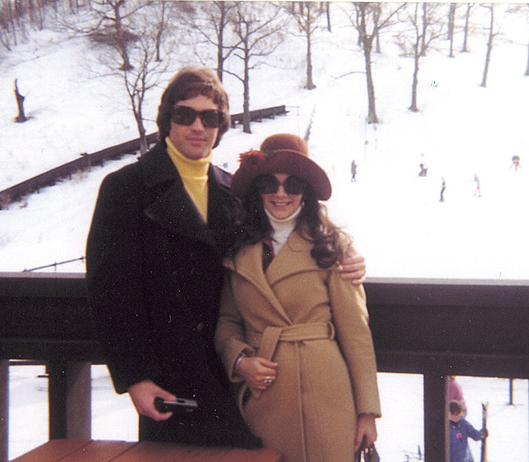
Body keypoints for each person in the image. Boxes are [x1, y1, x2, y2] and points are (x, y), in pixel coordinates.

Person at [85, 67, 366, 448]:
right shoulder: (126, 188)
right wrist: (135, 377)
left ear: (222, 124)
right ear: (167, 118)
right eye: (185, 114)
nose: (197, 126)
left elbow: (283, 239)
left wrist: (348, 258)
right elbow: (111, 293)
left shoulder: (233, 193)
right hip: (169, 382)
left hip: (232, 381)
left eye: (210, 117)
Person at [215, 134, 381, 462]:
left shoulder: (332, 246)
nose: (281, 194)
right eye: (268, 184)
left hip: (328, 396)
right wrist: (240, 361)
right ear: (256, 190)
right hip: (266, 397)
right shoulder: (238, 251)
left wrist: (367, 412)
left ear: (305, 191)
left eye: (292, 185)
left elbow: (356, 334)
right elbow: (227, 322)